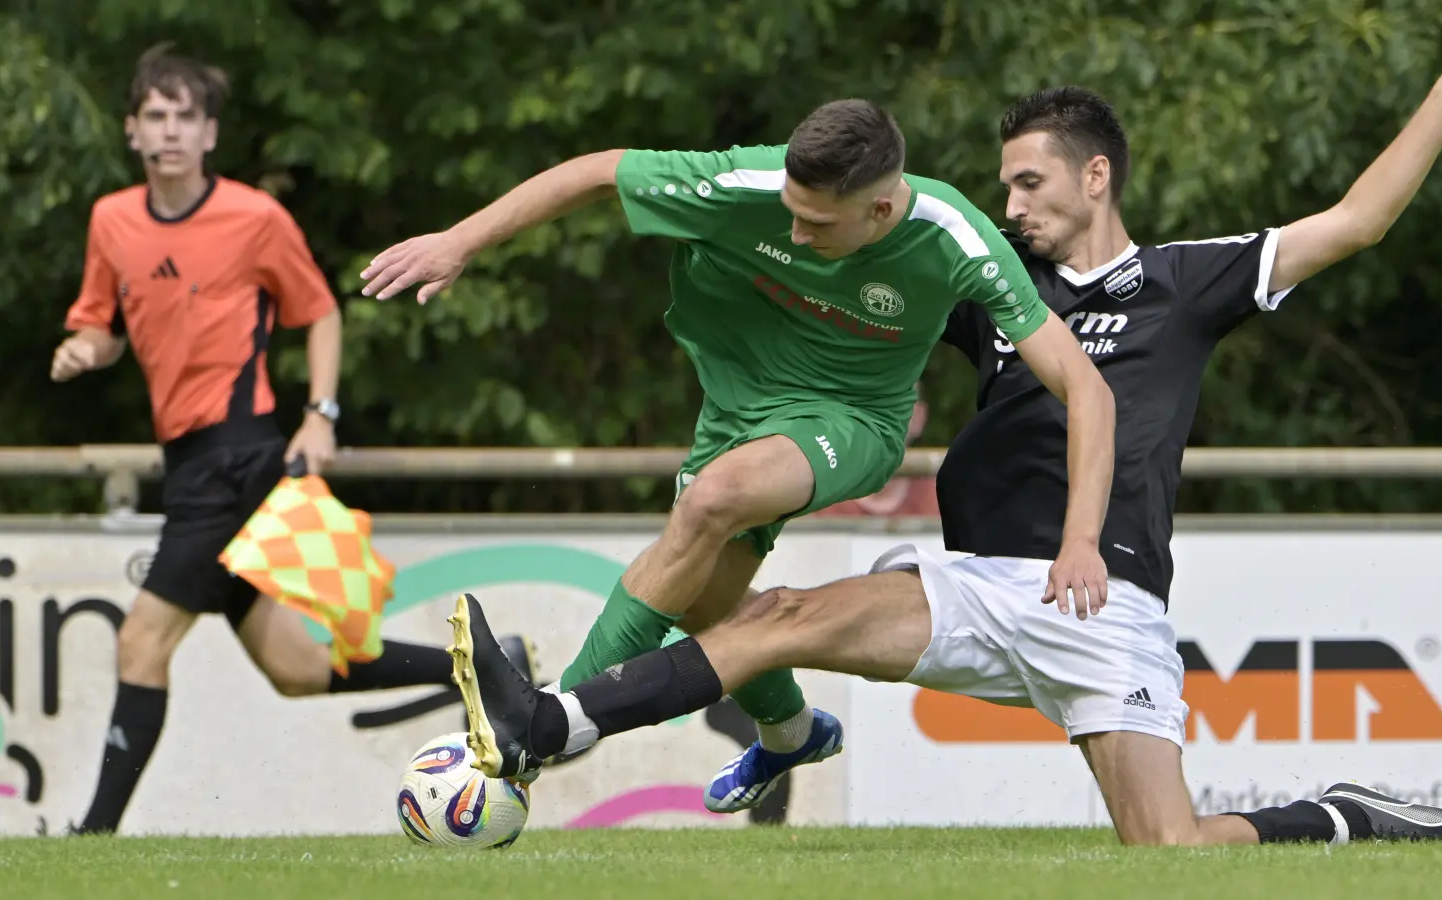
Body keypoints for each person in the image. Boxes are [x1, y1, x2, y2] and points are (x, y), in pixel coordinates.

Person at [439, 8, 1442, 843]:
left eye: (1030, 181)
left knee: (1172, 848)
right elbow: (871, 295)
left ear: (1096, 178)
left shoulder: (1185, 284)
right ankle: (553, 724)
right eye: (1001, 185)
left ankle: (1343, 816)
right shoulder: (994, 285)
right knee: (782, 615)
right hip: (974, 585)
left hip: (1105, 601)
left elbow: (1358, 222)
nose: (1010, 203)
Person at [360, 98, 1116, 804]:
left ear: (881, 209)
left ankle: (546, 721)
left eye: (817, 224)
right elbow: (598, 171)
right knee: (702, 596)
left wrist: (1079, 539)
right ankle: (788, 732)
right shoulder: (746, 183)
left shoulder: (954, 236)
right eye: (789, 214)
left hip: (852, 422)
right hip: (735, 411)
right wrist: (457, 242)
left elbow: (1087, 389)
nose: (793, 234)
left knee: (712, 500)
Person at [49, 44, 511, 835]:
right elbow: (102, 322)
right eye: (153, 117)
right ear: (131, 130)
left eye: (183, 118)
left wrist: (320, 413)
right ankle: (482, 674)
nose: (167, 132)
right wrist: (87, 346)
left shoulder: (254, 217)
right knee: (296, 671)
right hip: (188, 464)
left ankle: (91, 838)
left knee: (140, 642)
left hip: (238, 459)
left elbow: (320, 311)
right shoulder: (110, 220)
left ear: (209, 134)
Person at [810, 383, 940, 518]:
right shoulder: (812, 493)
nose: (882, 416)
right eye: (868, 401)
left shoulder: (944, 498)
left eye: (897, 403)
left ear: (919, 416)